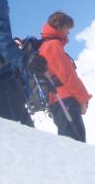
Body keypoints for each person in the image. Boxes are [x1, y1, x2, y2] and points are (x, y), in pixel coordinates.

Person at [39, 11, 92, 142]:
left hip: (59, 100)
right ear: (60, 27)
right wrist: (83, 100)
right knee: (75, 142)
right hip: (64, 99)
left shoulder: (47, 46)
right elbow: (67, 75)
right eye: (68, 28)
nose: (69, 33)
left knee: (69, 141)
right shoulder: (52, 46)